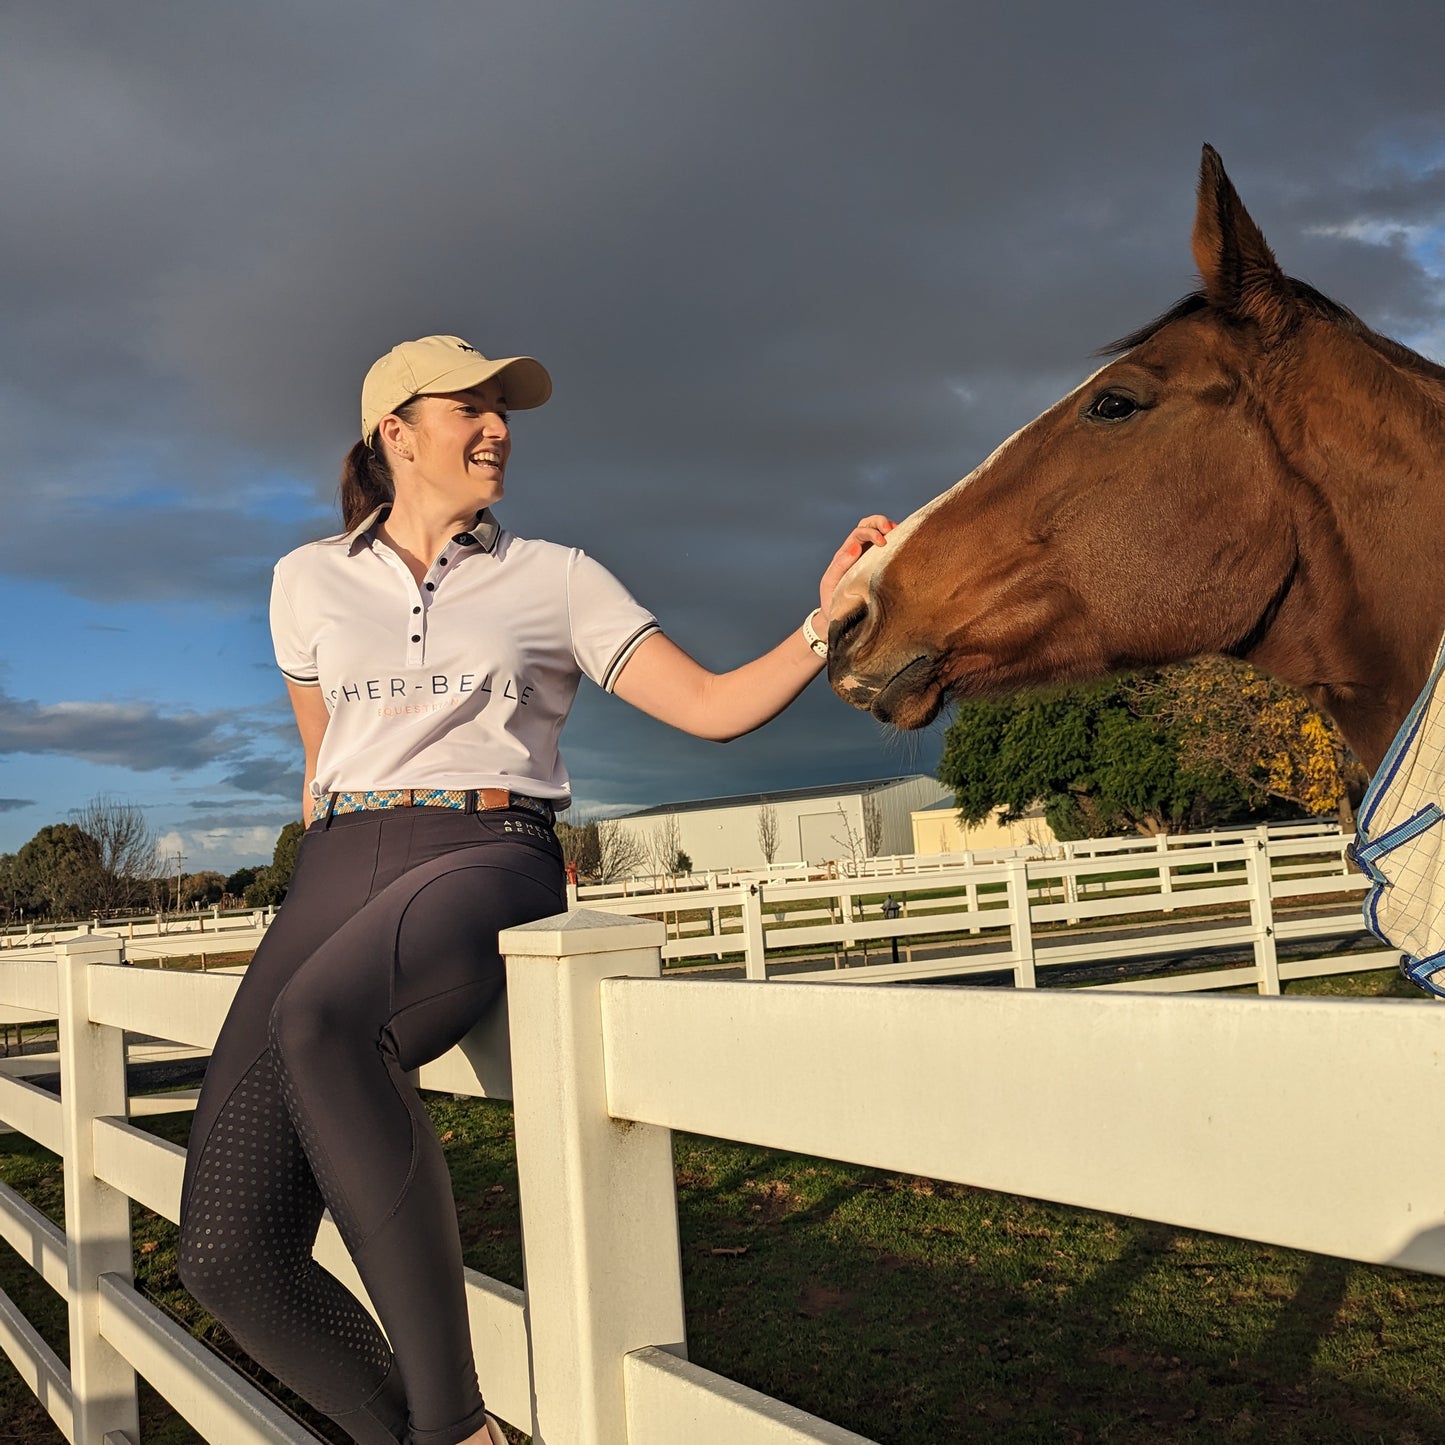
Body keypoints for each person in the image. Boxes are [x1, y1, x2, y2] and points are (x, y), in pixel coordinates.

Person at [176, 333, 893, 1445]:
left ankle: (458, 1427)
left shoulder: (553, 575)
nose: (498, 423)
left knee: (325, 1023)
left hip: (485, 850)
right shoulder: (302, 579)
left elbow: (709, 706)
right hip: (338, 863)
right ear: (395, 434)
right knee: (226, 1253)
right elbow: (324, 763)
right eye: (469, 405)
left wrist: (823, 618)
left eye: (503, 406)